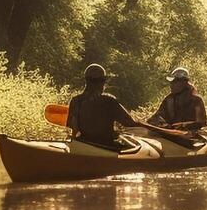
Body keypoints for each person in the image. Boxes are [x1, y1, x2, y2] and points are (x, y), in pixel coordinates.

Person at [66, 64, 195, 150]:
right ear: (103, 82)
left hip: (83, 144)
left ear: (86, 80)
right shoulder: (108, 100)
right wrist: (153, 128)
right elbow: (130, 122)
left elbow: (71, 128)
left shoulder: (75, 101)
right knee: (127, 142)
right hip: (106, 147)